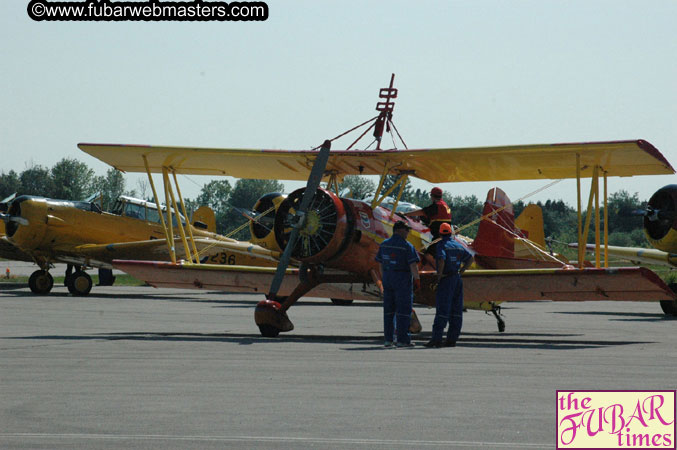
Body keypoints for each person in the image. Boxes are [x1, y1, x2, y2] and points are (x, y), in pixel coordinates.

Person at [425, 223, 473, 348]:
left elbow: (441, 260)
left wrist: (438, 277)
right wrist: (461, 272)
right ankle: (452, 340)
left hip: (446, 279)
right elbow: (470, 258)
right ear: (451, 233)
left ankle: (436, 339)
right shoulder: (458, 245)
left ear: (440, 233)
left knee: (442, 309)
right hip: (457, 279)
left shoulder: (441, 245)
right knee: (456, 310)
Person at [375, 220, 421, 348]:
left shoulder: (384, 245)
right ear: (400, 230)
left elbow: (380, 264)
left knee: (388, 312)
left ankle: (388, 340)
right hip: (402, 280)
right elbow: (413, 265)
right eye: (407, 230)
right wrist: (417, 280)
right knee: (403, 312)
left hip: (388, 279)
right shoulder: (407, 246)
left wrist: (384, 279)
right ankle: (403, 340)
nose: (408, 233)